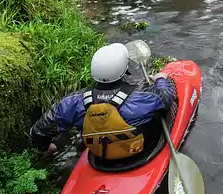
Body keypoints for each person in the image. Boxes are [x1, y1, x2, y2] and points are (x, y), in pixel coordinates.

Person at [30, 43, 176, 161]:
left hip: (100, 157)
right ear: (125, 70)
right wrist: (161, 79)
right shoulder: (144, 96)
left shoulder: (73, 101)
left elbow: (39, 131)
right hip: (139, 153)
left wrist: (46, 147)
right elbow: (166, 98)